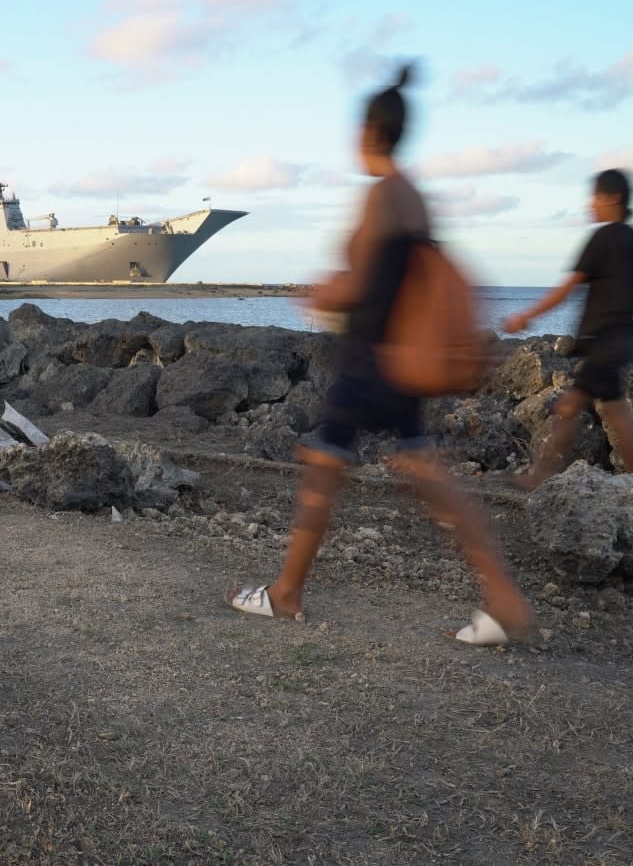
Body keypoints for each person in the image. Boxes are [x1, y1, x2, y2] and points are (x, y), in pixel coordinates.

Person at [227, 65, 534, 646]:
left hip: (371, 358)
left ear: (368, 132)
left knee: (324, 465)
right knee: (423, 470)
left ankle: (287, 594)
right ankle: (504, 597)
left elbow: (364, 284)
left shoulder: (380, 196)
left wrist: (319, 292)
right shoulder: (415, 196)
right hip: (402, 359)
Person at [502, 169, 633, 489]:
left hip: (604, 339)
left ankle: (544, 476)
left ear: (614, 198)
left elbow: (568, 288)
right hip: (618, 340)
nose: (591, 204)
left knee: (582, 407)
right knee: (587, 407)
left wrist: (526, 316)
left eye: (596, 197)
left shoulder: (603, 238)